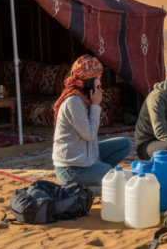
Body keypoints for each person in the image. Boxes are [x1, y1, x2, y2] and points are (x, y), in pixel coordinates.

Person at [52, 55, 133, 187]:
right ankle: (100, 173)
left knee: (125, 144)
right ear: (87, 80)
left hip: (86, 157)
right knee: (113, 175)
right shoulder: (73, 101)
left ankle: (98, 172)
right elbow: (89, 135)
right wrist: (95, 105)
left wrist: (93, 103)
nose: (99, 83)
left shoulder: (83, 98)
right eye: (96, 78)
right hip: (72, 168)